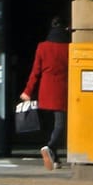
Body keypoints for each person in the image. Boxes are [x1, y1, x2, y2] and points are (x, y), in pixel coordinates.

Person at [21, 17, 70, 171]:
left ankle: (54, 159)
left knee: (50, 126)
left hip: (45, 91)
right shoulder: (69, 47)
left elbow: (35, 72)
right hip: (62, 90)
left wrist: (28, 91)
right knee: (61, 125)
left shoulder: (42, 47)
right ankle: (49, 147)